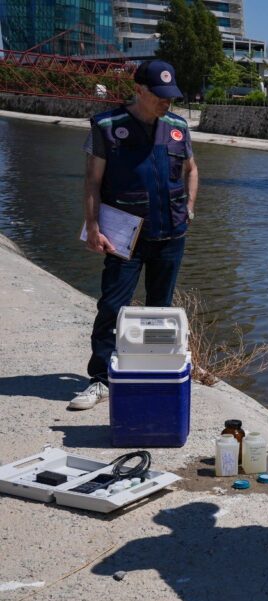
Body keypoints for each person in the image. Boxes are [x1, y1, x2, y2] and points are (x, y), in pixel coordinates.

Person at [69, 60, 198, 410]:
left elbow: (191, 168)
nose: (166, 102)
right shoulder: (107, 126)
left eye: (170, 96)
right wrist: (93, 227)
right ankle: (101, 379)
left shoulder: (177, 126)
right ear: (139, 89)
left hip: (171, 234)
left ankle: (151, 375)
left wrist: (189, 206)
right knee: (112, 305)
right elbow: (93, 181)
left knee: (160, 309)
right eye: (160, 95)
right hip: (125, 236)